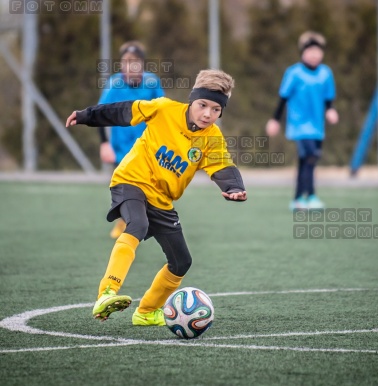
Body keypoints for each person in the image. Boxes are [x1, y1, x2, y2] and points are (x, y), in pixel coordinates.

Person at [66, 69, 247, 326]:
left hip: (161, 199)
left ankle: (147, 311)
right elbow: (123, 111)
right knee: (137, 225)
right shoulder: (164, 109)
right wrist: (87, 116)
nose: (208, 114)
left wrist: (232, 187)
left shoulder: (212, 137)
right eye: (203, 105)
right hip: (131, 180)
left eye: (216, 109)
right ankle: (106, 293)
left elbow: (221, 166)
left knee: (181, 261)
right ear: (192, 100)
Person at [98, 41, 165, 239]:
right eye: (126, 62)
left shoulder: (152, 82)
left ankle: (134, 222)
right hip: (121, 149)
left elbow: (162, 112)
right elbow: (100, 113)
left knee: (147, 188)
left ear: (142, 64)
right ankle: (125, 221)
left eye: (135, 62)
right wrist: (104, 144)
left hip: (146, 147)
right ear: (121, 65)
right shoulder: (115, 84)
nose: (131, 67)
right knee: (124, 189)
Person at [265, 31, 338, 210]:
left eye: (317, 51)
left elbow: (328, 98)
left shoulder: (325, 73)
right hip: (299, 125)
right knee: (312, 156)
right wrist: (275, 120)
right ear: (303, 52)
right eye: (310, 51)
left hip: (317, 126)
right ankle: (310, 196)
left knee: (307, 160)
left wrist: (330, 110)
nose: (314, 55)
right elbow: (283, 98)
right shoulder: (294, 72)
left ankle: (298, 199)